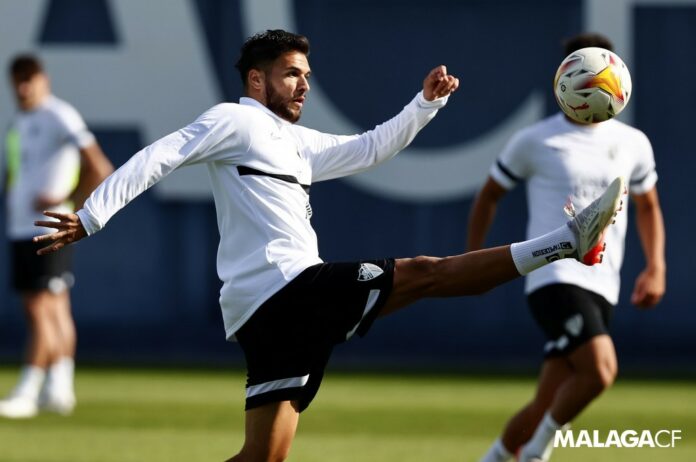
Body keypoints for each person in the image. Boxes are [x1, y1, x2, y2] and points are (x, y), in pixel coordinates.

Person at [33, 30, 624, 461]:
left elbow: (369, 149)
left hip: (263, 312)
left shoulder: (294, 142)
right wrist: (92, 213)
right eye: (292, 74)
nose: (302, 86)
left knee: (261, 458)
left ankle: (566, 242)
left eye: (307, 77)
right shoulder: (234, 121)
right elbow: (159, 156)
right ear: (255, 79)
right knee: (428, 273)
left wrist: (426, 104)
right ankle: (566, 242)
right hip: (285, 289)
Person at [471, 33, 666, 462]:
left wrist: (656, 266)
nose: (591, 82)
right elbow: (489, 195)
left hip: (603, 281)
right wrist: (473, 264)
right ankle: (537, 454)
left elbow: (648, 205)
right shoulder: (535, 140)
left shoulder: (633, 142)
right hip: (552, 274)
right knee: (601, 370)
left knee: (547, 401)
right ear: (563, 79)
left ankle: (499, 456)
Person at [0, 54, 114, 419]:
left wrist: (74, 207)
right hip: (21, 227)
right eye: (17, 79)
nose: (22, 87)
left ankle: (28, 391)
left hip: (45, 228)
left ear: (43, 80)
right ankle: (60, 388)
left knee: (40, 309)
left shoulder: (58, 114)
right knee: (54, 307)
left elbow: (99, 166)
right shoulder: (19, 120)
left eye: (28, 79)